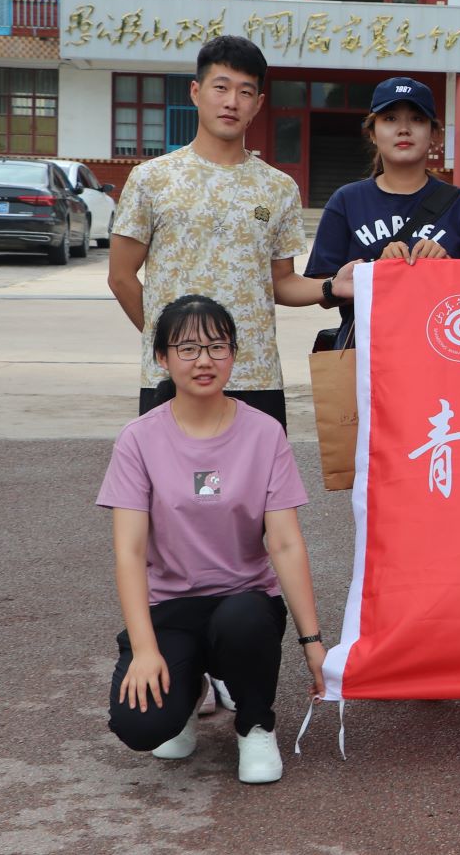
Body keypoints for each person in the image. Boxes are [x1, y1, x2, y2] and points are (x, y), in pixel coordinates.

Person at [99, 294, 326, 785]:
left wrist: (313, 642)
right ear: (162, 358)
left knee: (243, 619)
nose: (203, 360)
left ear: (233, 354)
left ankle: (255, 725)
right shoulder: (138, 439)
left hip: (244, 601)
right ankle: (188, 694)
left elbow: (285, 544)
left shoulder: (265, 433)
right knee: (142, 726)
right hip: (170, 607)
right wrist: (145, 649)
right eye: (187, 349)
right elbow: (129, 553)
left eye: (216, 347)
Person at [109, 36, 307, 428]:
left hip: (256, 376)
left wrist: (334, 286)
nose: (232, 101)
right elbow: (121, 276)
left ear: (258, 104)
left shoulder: (279, 187)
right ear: (196, 92)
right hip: (174, 380)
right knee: (169, 471)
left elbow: (282, 282)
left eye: (245, 92)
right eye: (221, 87)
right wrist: (172, 346)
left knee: (259, 471)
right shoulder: (152, 178)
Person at [301, 76, 460, 343]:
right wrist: (378, 271)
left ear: (434, 134)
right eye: (390, 119)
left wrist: (447, 270)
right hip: (368, 353)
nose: (404, 129)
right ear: (373, 133)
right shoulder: (347, 201)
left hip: (445, 353)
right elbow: (324, 294)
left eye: (417, 119)